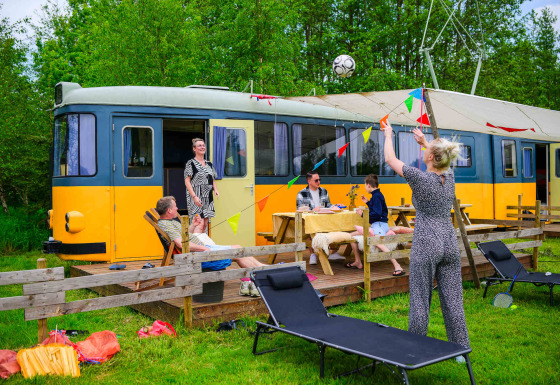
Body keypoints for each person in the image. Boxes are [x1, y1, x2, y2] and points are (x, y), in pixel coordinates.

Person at [381, 121, 470, 352]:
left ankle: (415, 348)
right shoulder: (449, 177)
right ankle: (461, 350)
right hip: (449, 241)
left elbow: (391, 160)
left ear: (430, 158)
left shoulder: (420, 179)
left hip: (426, 241)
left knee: (421, 299)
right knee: (453, 300)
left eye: (428, 151)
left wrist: (389, 135)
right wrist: (425, 143)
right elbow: (443, 156)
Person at [156, 196, 265, 296]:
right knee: (238, 252)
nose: (177, 208)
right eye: (175, 206)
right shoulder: (166, 225)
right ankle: (264, 272)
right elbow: (181, 243)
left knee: (239, 249)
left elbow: (184, 236)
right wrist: (203, 248)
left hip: (200, 248)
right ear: (169, 210)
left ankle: (264, 269)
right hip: (198, 253)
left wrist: (193, 226)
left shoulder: (169, 222)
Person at [346, 174, 405, 276]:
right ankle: (358, 262)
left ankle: (397, 265)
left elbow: (377, 214)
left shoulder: (377, 196)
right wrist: (368, 202)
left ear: (368, 185)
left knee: (377, 241)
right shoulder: (376, 196)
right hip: (377, 225)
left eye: (365, 184)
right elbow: (377, 210)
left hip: (379, 225)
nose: (365, 187)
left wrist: (362, 214)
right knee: (351, 236)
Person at [296, 171, 345, 265]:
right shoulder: (301, 193)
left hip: (324, 220)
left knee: (337, 227)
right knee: (310, 231)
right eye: (316, 180)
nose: (318, 182)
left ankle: (333, 253)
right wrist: (312, 210)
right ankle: (312, 255)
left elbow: (328, 205)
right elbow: (299, 209)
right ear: (309, 181)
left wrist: (337, 205)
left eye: (319, 180)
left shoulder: (324, 191)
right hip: (310, 221)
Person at [184, 138, 218, 232]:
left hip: (208, 197)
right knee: (199, 223)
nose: (202, 147)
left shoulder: (209, 164)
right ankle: (195, 245)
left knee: (205, 224)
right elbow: (187, 181)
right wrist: (194, 196)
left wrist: (216, 190)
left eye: (203, 145)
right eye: (199, 145)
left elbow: (213, 179)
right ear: (194, 149)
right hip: (196, 196)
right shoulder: (190, 163)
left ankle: (201, 244)